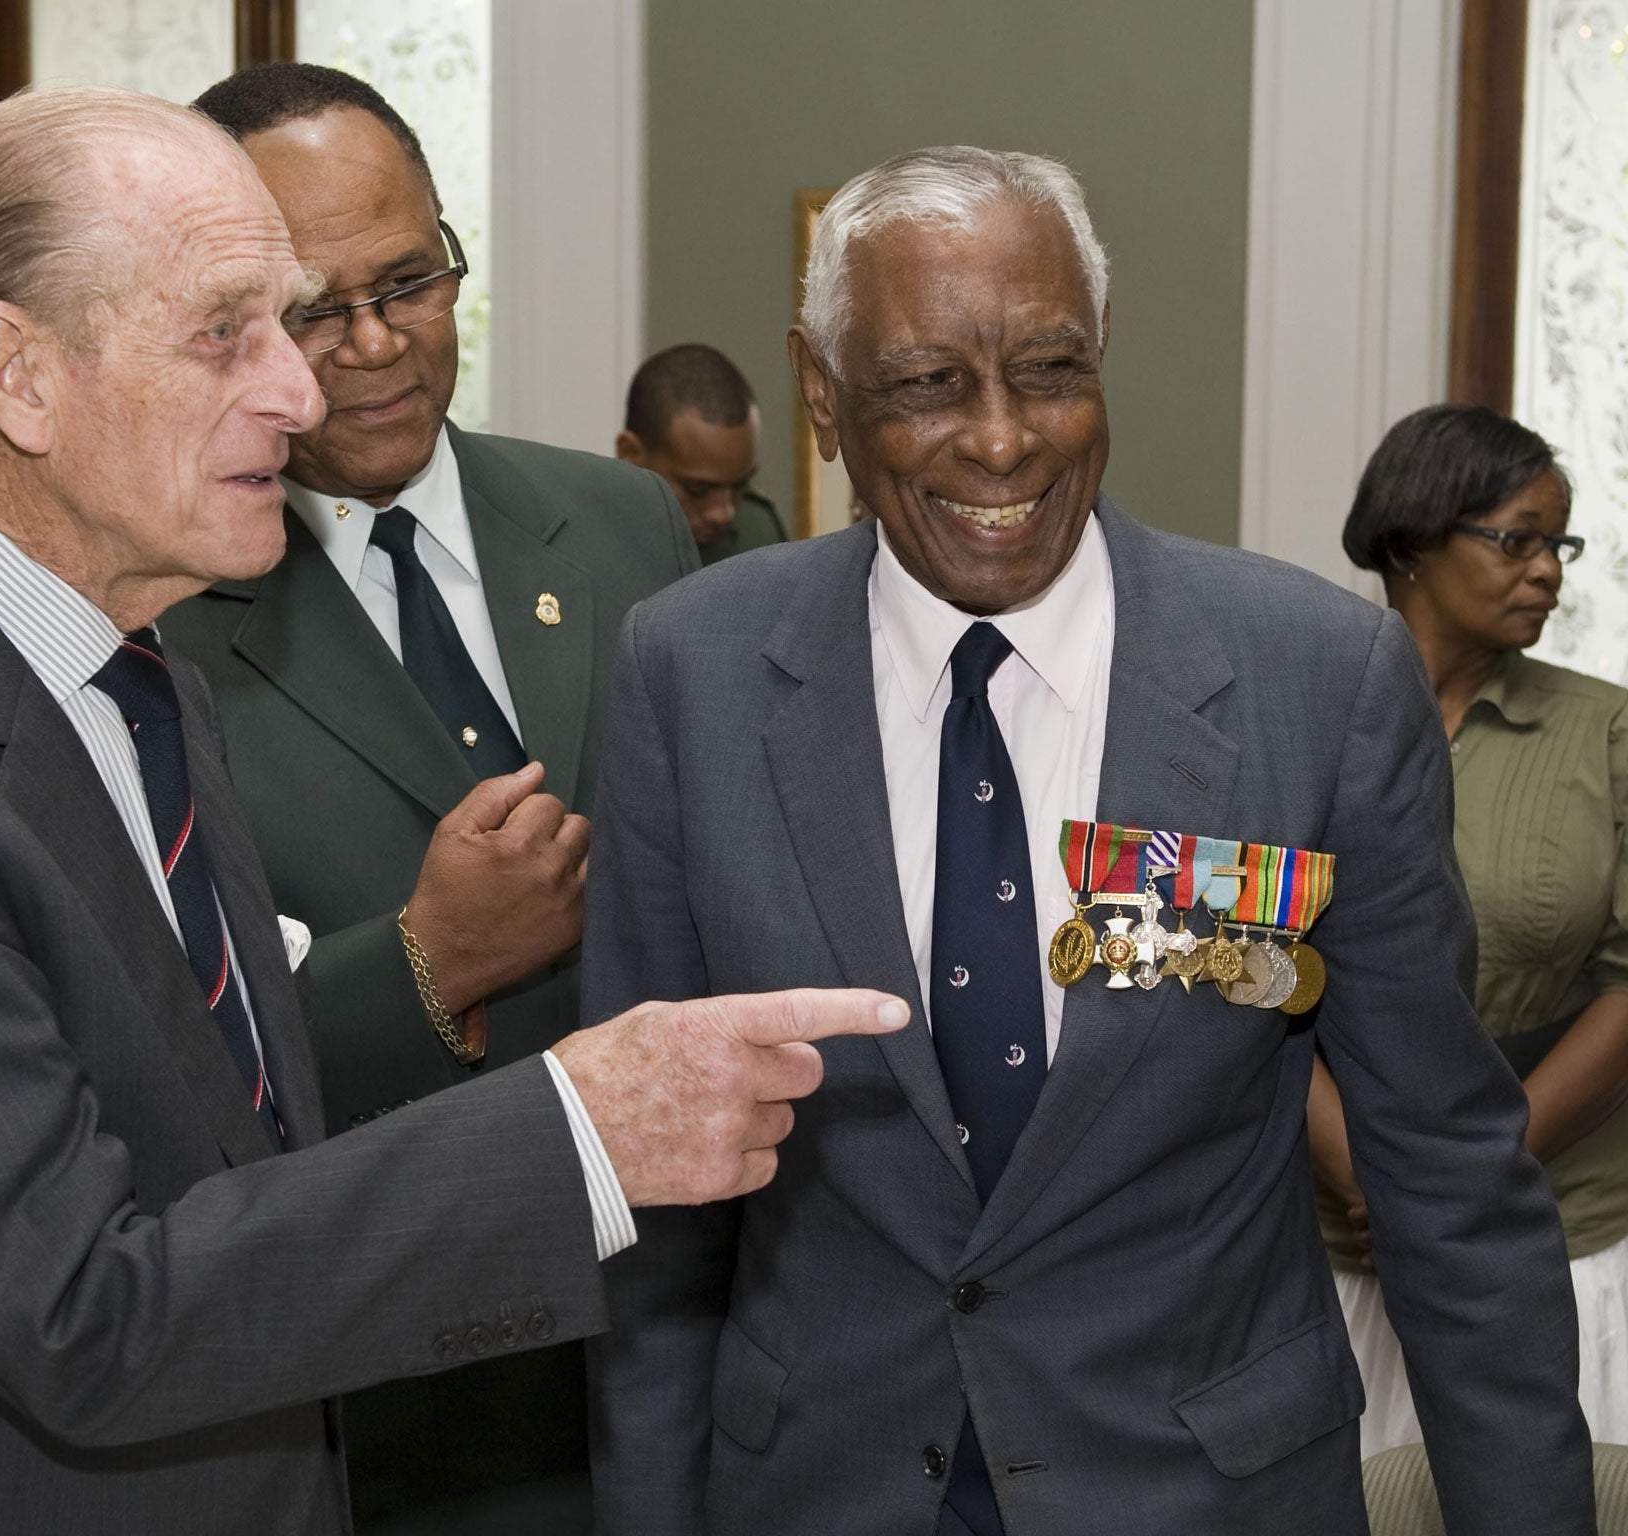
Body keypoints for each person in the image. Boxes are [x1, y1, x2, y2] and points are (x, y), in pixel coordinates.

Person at [0, 85, 906, 1536]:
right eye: (228, 333)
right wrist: (578, 1132)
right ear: (18, 375)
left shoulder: (127, 670)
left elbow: (229, 1145)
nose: (307, 393)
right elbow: (85, 1314)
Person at [582, 147, 1594, 1535]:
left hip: (1208, 1488)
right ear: (821, 392)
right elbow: (657, 1215)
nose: (1002, 440)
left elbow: (1449, 1181)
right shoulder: (683, 674)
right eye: (929, 382)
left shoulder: (1320, 681)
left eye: (1052, 370)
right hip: (820, 1482)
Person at [159, 63, 699, 1532]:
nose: (380, 343)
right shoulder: (154, 627)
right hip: (398, 1408)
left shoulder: (621, 523)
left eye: (411, 280)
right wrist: (424, 965)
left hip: (690, 1353)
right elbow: (161, 1087)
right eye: (313, 310)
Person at [1314, 402, 1628, 1453]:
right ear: (1408, 542)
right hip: (1318, 1250)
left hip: (1549, 1238)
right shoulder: (1295, 721)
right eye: (1513, 539)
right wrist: (1367, 1171)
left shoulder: (1606, 732)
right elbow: (1235, 960)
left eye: (1557, 543)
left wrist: (1461, 1173)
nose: (1545, 569)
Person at [615, 344, 786, 564]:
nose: (724, 514)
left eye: (740, 486)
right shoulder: (579, 540)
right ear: (631, 454)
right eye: (698, 489)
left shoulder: (757, 531)